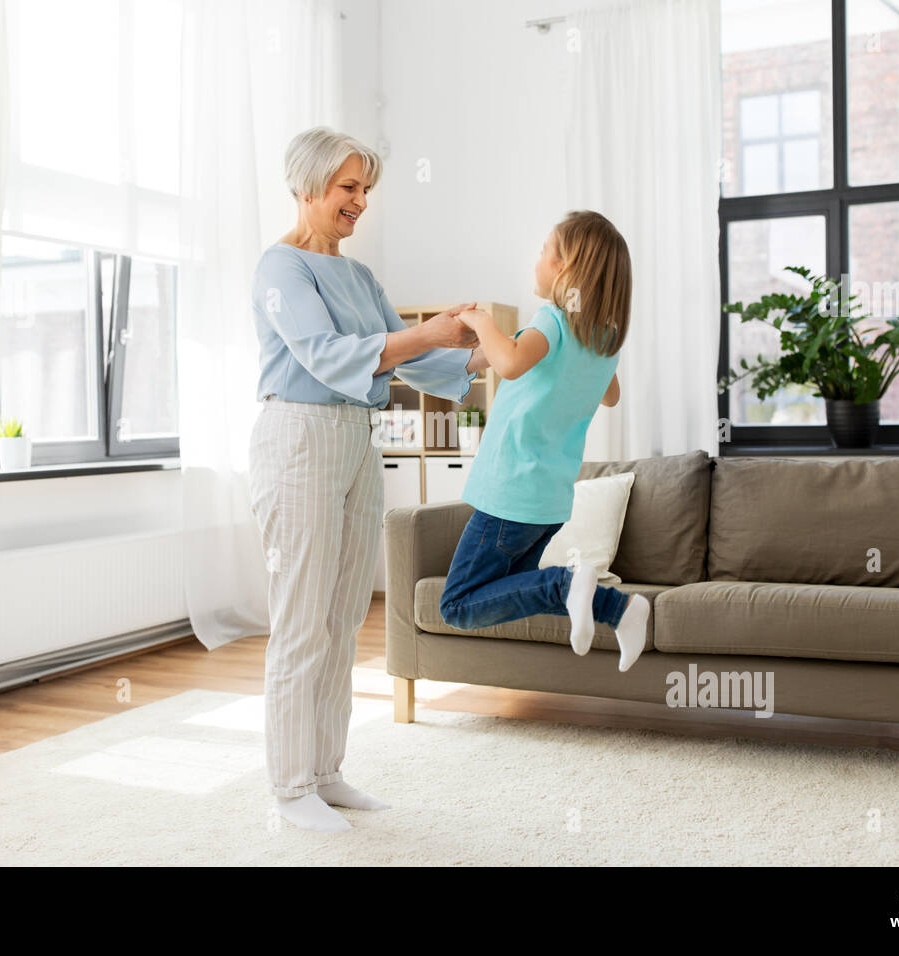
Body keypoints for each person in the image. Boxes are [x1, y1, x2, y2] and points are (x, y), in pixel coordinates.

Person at [248, 127, 488, 833]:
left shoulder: (360, 277)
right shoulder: (280, 267)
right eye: (349, 188)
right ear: (309, 186)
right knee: (301, 618)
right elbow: (326, 355)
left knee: (345, 614)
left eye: (365, 191)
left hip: (358, 435)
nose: (359, 203)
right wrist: (432, 334)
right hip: (298, 435)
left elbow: (410, 363)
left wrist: (491, 356)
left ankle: (325, 772)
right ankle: (289, 787)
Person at [439, 211, 650, 671]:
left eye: (542, 252)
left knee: (456, 603)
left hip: (510, 491)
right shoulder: (603, 339)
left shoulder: (552, 320)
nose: (536, 260)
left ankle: (566, 584)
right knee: (517, 590)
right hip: (549, 501)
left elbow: (511, 363)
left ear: (565, 267)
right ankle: (619, 609)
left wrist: (481, 320)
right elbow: (610, 395)